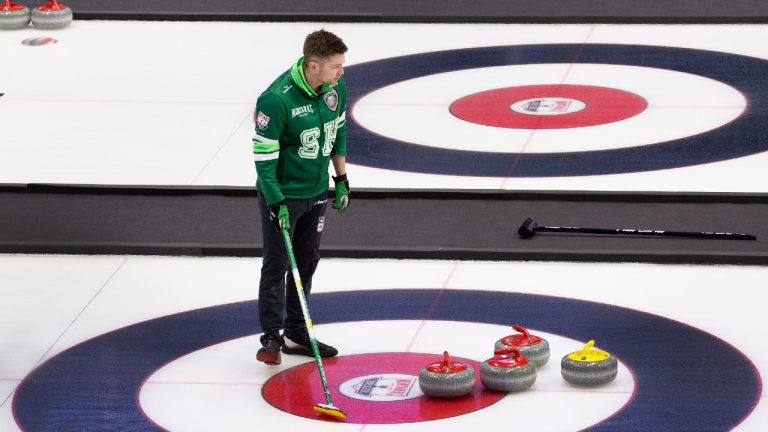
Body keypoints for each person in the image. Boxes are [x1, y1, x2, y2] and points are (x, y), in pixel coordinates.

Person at [252, 29, 350, 365]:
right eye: (336, 66)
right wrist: (275, 201)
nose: (341, 72)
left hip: (317, 191)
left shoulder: (334, 89)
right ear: (313, 66)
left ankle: (297, 331)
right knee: (278, 263)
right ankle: (270, 337)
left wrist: (342, 179)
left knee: (307, 261)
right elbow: (263, 159)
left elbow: (338, 132)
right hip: (283, 197)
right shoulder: (276, 100)